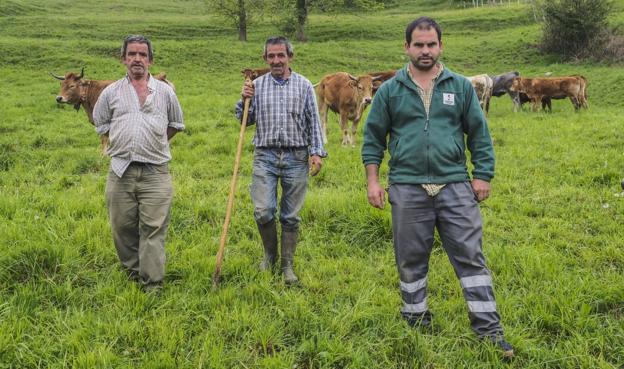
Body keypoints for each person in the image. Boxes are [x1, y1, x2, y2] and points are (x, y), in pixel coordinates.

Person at [361, 17, 514, 357]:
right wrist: (373, 181)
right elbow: (373, 140)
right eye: (419, 44)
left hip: (455, 186)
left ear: (440, 46)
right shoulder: (389, 90)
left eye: (431, 44)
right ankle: (416, 322)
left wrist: (482, 175)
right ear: (407, 47)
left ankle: (489, 331)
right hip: (407, 187)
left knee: (471, 259)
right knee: (410, 260)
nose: (425, 50)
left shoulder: (459, 87)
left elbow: (479, 134)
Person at [93, 35, 184, 292]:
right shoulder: (111, 92)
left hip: (156, 172)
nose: (137, 59)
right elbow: (101, 122)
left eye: (142, 55)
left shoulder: (165, 92)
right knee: (122, 227)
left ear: (150, 60)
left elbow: (176, 124)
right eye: (131, 54)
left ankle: (152, 283)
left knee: (154, 229)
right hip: (120, 171)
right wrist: (126, 140)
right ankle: (132, 271)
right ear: (123, 59)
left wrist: (154, 142)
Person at [236, 36, 326, 284]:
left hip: (296, 156)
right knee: (263, 211)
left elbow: (313, 121)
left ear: (289, 57)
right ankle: (269, 256)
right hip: (265, 155)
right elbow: (244, 118)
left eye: (281, 55)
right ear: (265, 58)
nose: (276, 60)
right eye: (271, 56)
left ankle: (287, 265)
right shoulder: (257, 85)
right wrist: (244, 98)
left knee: (291, 216)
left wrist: (316, 152)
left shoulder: (305, 85)